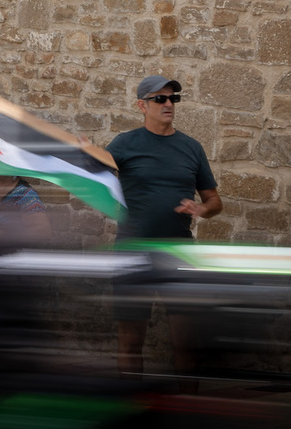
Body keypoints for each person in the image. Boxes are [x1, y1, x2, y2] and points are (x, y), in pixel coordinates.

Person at [106, 75, 223, 388]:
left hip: (178, 252)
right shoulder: (124, 144)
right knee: (130, 340)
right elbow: (93, 172)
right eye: (160, 99)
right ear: (142, 106)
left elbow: (214, 201)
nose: (168, 104)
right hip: (133, 252)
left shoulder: (191, 148)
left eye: (173, 99)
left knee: (186, 341)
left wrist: (201, 209)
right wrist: (83, 155)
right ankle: (132, 407)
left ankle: (187, 410)